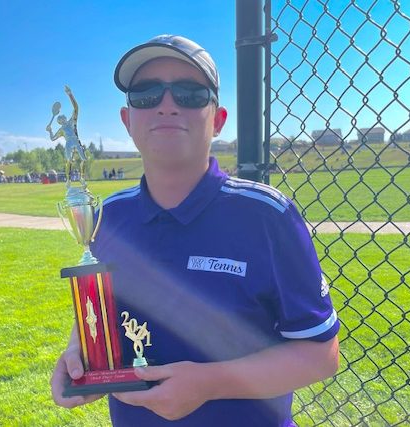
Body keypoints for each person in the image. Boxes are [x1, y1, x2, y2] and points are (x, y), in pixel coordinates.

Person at [51, 35, 340, 427]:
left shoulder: (268, 216)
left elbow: (321, 356)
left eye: (189, 93)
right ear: (127, 119)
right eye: (146, 94)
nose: (166, 105)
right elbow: (101, 303)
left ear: (218, 119)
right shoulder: (110, 215)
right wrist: (79, 352)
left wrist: (209, 383)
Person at [46, 85, 87, 187]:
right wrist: (50, 131)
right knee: (68, 161)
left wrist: (70, 94)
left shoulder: (72, 122)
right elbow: (52, 138)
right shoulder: (61, 130)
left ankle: (82, 178)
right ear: (59, 122)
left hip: (76, 141)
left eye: (63, 118)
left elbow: (76, 108)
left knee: (84, 159)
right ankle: (68, 180)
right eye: (60, 119)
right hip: (69, 143)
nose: (63, 119)